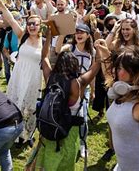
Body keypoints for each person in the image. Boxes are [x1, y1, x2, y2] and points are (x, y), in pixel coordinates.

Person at [33, 27, 101, 170]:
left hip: (51, 126)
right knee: (66, 159)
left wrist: (50, 36)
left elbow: (44, 57)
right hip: (70, 129)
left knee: (49, 157)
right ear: (74, 65)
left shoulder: (50, 77)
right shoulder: (79, 83)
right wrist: (98, 44)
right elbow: (96, 66)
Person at [0, 0, 43, 144]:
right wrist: (3, 7)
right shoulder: (22, 36)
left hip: (34, 78)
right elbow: (11, 20)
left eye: (35, 24)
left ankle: (28, 134)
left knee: (30, 106)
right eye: (29, 24)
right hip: (19, 75)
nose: (32, 26)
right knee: (15, 104)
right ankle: (15, 133)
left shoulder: (44, 42)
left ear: (41, 26)